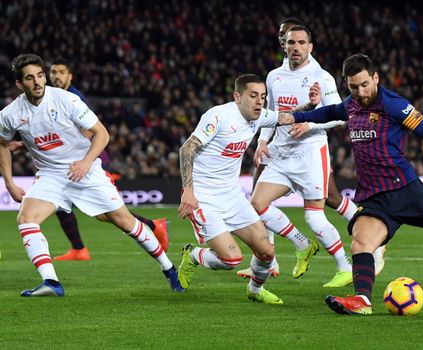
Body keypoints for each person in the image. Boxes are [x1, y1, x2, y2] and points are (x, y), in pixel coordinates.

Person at [279, 53, 423, 315]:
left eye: (365, 84)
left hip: (405, 190)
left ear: (375, 77)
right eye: (353, 87)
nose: (360, 92)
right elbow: (330, 111)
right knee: (361, 242)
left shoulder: (394, 105)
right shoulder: (351, 104)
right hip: (374, 197)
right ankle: (362, 300)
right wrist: (296, 117)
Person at [0, 53, 183, 296]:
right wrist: (10, 183)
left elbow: (102, 133)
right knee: (26, 219)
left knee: (125, 222)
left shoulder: (67, 100)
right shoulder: (10, 114)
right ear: (19, 84)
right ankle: (52, 283)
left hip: (85, 172)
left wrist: (86, 162)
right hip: (51, 175)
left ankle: (168, 268)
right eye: (30, 78)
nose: (38, 82)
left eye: (41, 76)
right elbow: (3, 144)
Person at [237, 19, 386, 281]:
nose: (296, 47)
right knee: (257, 204)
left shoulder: (321, 77)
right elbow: (273, 114)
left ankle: (345, 266)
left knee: (316, 217)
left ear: (310, 46)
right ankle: (300, 245)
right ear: (284, 45)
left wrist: (310, 122)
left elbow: (341, 115)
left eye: (301, 43)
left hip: (309, 154)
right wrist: (262, 140)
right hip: (281, 153)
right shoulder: (274, 77)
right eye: (291, 42)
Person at [177, 74, 289, 304]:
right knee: (231, 260)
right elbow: (187, 149)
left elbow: (288, 117)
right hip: (203, 198)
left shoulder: (260, 117)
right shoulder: (218, 116)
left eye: (263, 97)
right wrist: (188, 191)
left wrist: (314, 106)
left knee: (267, 252)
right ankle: (194, 255)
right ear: (237, 97)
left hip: (232, 196)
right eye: (253, 95)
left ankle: (255, 291)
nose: (260, 101)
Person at [47, 58, 170, 260]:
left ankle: (153, 226)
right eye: (54, 72)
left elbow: (90, 130)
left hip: (88, 160)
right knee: (88, 210)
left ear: (70, 76)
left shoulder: (74, 97)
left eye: (61, 72)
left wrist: (75, 154)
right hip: (73, 160)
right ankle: (79, 249)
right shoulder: (53, 97)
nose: (57, 76)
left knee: (107, 212)